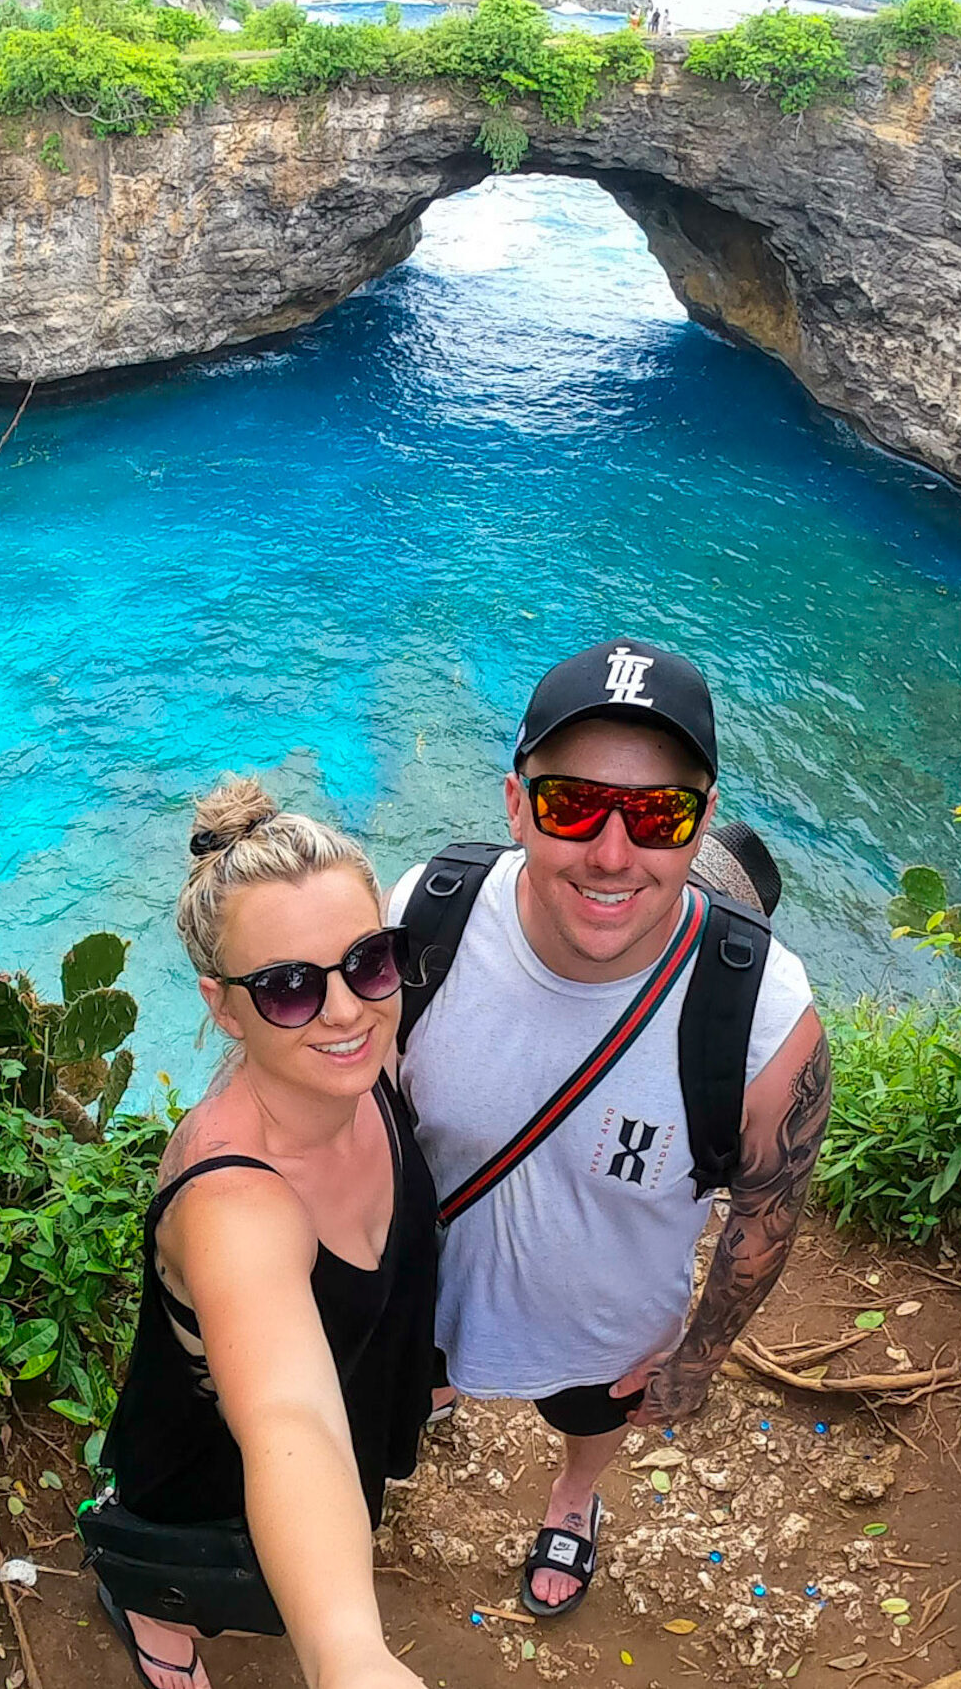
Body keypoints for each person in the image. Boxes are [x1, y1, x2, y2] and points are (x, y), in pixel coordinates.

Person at [387, 639, 831, 1618]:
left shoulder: (763, 1016)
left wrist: (696, 1359)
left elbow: (766, 1213)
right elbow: (352, 1116)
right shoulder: (426, 918)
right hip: (426, 1297)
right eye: (572, 804)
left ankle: (574, 1494)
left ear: (700, 821)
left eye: (658, 813)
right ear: (516, 803)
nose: (612, 851)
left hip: (605, 1333)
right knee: (407, 1393)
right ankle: (430, 1403)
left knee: (588, 1420)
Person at [87, 780, 437, 1689]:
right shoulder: (233, 1202)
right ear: (222, 1006)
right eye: (287, 987)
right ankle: (151, 1618)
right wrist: (349, 1656)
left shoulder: (367, 1059)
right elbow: (289, 1411)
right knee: (187, 1570)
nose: (345, 1011)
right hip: (210, 1442)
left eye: (368, 962)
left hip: (353, 1391)